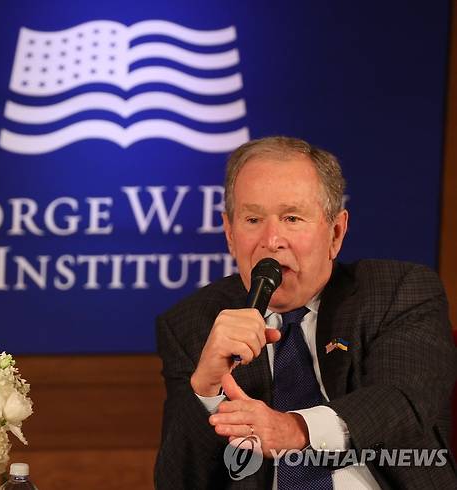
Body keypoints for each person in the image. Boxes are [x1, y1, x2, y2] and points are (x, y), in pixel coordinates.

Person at [154, 136, 457, 489]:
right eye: (252, 219)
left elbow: (403, 401)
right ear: (230, 234)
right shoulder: (192, 324)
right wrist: (205, 390)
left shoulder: (397, 291)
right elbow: (178, 480)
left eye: (292, 218)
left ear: (336, 232)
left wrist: (295, 429)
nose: (271, 240)